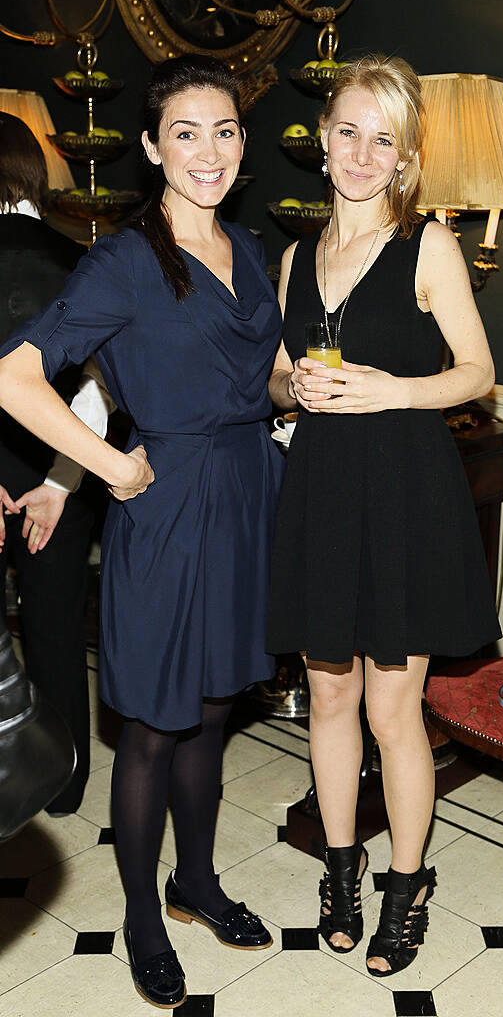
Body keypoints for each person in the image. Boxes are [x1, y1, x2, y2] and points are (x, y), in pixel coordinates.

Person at [0, 56, 283, 1009]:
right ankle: (142, 919)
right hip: (163, 509)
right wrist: (107, 465)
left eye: (227, 130)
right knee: (154, 730)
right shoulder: (122, 260)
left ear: (243, 147)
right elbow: (16, 376)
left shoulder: (249, 246)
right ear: (155, 147)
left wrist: (297, 389)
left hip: (249, 496)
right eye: (188, 132)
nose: (210, 150)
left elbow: (256, 375)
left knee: (210, 711)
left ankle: (194, 883)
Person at [267, 54, 501, 976]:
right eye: (349, 131)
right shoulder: (295, 257)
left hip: (403, 493)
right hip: (322, 489)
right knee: (328, 693)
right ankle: (341, 868)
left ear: (404, 157)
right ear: (323, 142)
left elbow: (476, 373)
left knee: (395, 709)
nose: (364, 153)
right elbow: (279, 377)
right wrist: (293, 386)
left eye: (385, 139)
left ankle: (405, 890)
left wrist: (391, 391)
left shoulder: (429, 247)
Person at [0, 111, 113, 815]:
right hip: (58, 474)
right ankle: (65, 783)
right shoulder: (82, 258)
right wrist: (57, 482)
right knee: (56, 627)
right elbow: (102, 386)